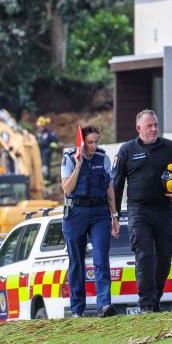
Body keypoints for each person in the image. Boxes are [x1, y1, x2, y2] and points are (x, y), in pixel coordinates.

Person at [112, 110, 172, 313]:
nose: (154, 129)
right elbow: (116, 184)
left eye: (156, 125)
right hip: (138, 209)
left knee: (165, 253)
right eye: (149, 126)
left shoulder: (169, 147)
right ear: (139, 128)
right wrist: (113, 214)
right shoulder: (126, 150)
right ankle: (146, 303)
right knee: (145, 253)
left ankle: (156, 296)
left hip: (163, 208)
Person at [61, 125, 120, 318]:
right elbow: (67, 189)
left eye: (96, 142)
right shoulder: (69, 158)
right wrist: (78, 164)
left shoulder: (103, 158)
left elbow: (109, 188)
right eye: (89, 142)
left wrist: (114, 216)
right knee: (76, 261)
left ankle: (104, 305)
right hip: (76, 212)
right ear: (81, 142)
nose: (93, 146)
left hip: (99, 212)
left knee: (101, 258)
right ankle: (77, 309)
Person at [36, 116, 59, 183]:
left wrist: (49, 150)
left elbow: (55, 142)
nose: (39, 127)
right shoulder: (39, 133)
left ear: (43, 125)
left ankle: (47, 180)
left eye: (40, 126)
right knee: (40, 165)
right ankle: (41, 179)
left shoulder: (49, 132)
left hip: (47, 151)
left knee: (46, 165)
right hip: (40, 151)